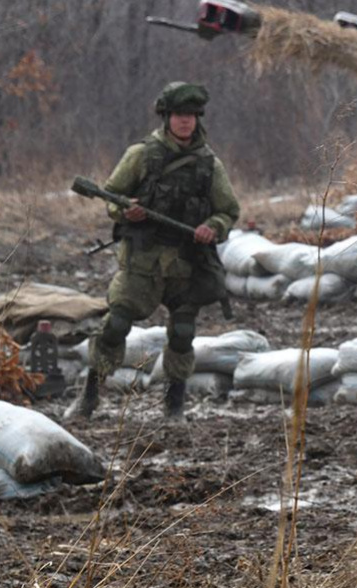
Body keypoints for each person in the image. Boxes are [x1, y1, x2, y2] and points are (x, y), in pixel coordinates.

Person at [76, 82, 240, 420]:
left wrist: (213, 227)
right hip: (143, 261)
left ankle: (173, 406)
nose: (185, 122)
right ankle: (89, 398)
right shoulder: (141, 155)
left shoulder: (209, 164)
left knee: (182, 333)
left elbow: (228, 210)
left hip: (186, 264)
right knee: (115, 325)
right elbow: (112, 196)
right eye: (180, 115)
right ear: (167, 117)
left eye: (192, 116)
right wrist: (126, 211)